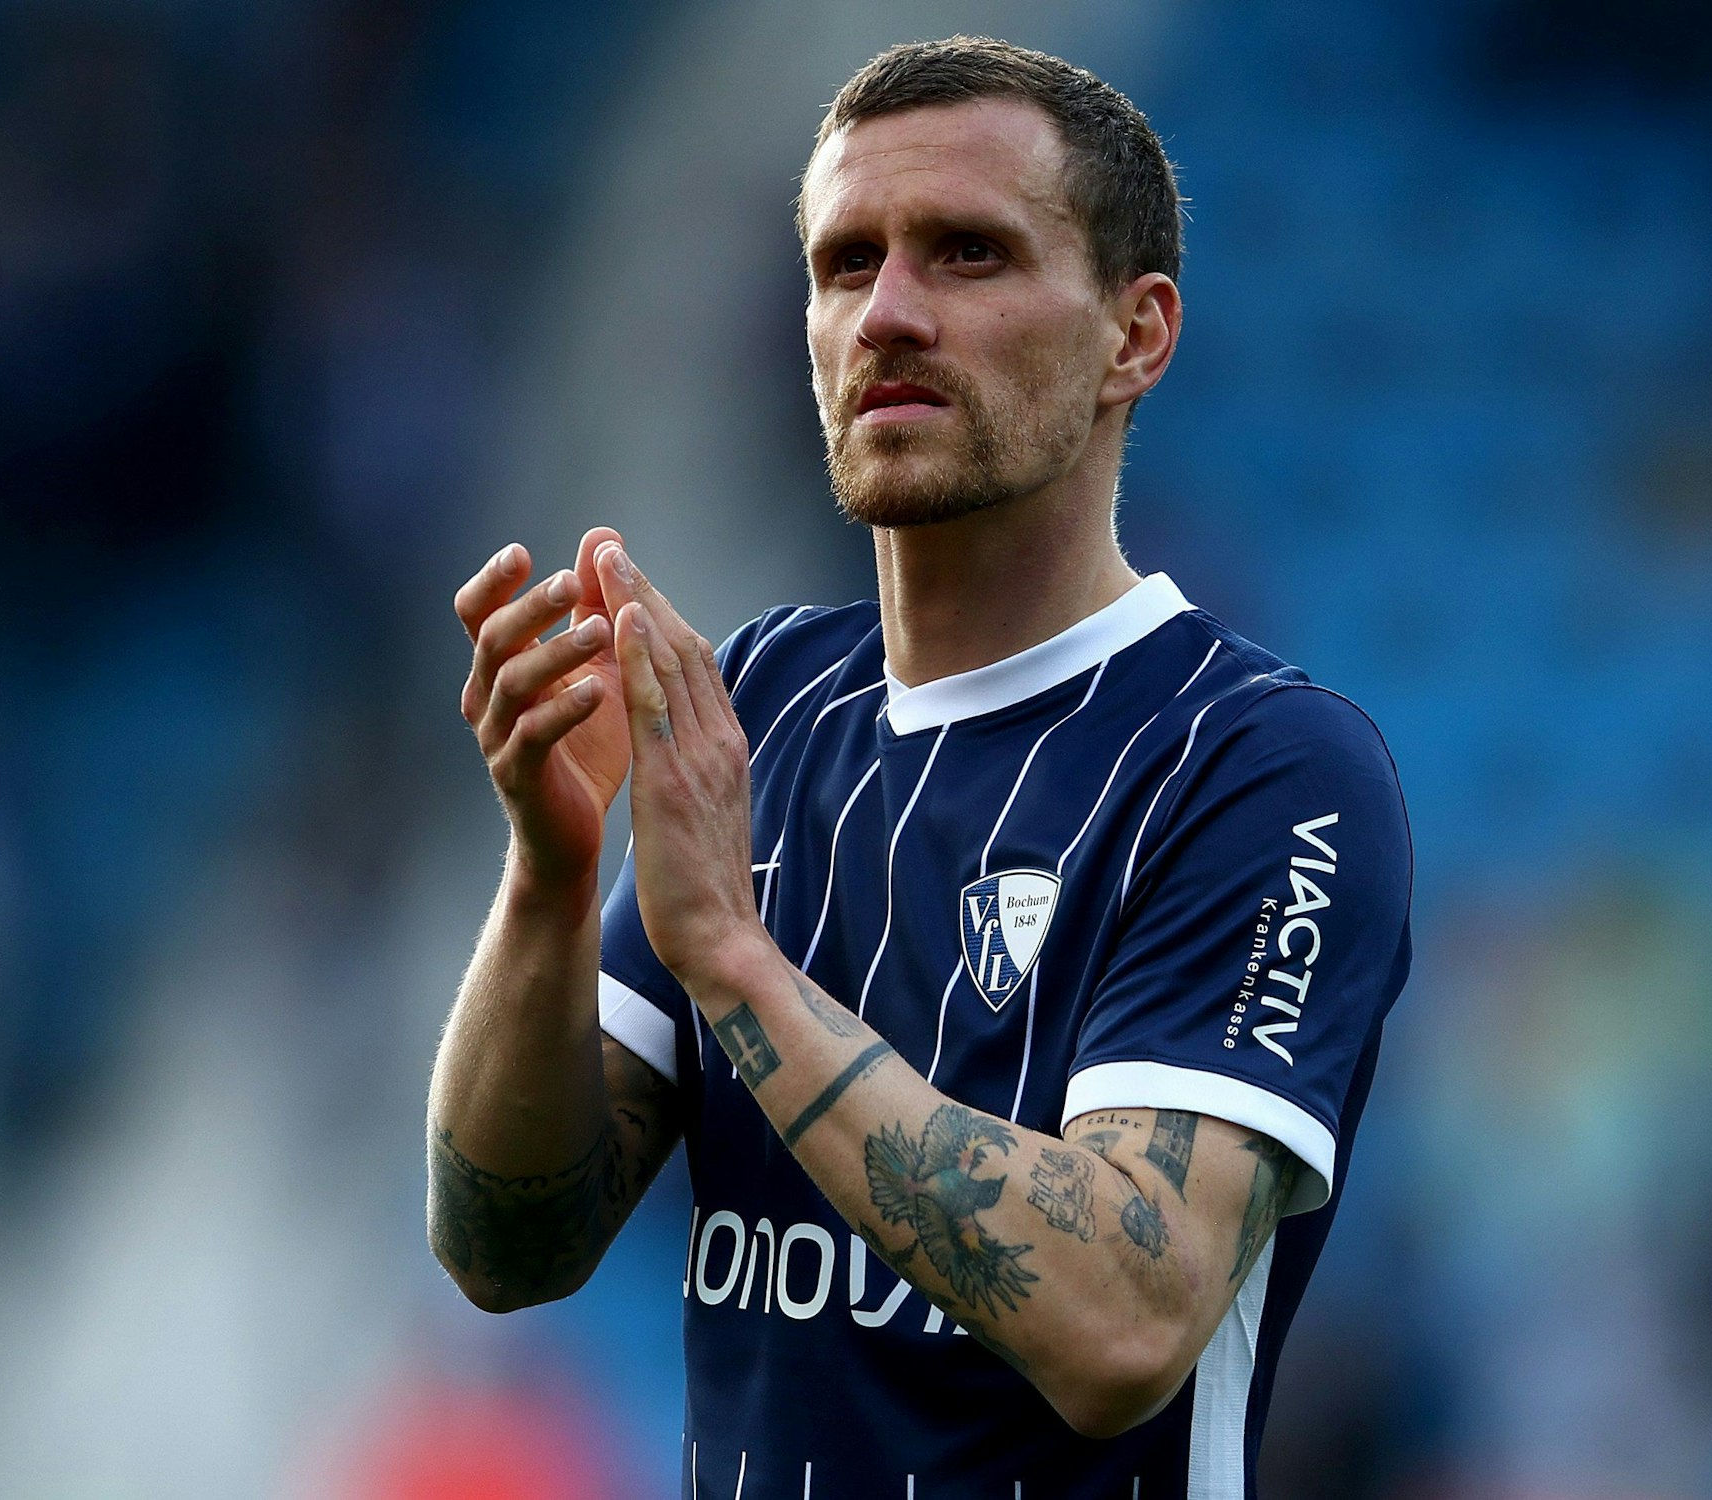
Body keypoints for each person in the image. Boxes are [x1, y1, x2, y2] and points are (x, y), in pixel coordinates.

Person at [428, 36, 1412, 1500]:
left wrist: (735, 965)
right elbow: (507, 1243)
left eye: (966, 254)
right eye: (845, 264)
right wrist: (551, 877)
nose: (889, 313)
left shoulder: (1261, 768)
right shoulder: (759, 706)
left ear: (1135, 338)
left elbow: (1127, 1321)